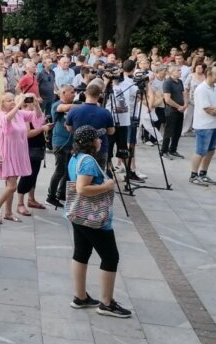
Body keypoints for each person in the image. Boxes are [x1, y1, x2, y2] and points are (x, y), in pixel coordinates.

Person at [66, 125, 131, 319]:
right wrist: (107, 185)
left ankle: (80, 296)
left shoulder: (75, 158)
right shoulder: (87, 162)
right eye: (97, 138)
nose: (101, 140)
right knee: (110, 257)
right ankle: (107, 302)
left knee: (81, 253)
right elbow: (82, 188)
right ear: (90, 142)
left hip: (79, 214)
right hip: (93, 217)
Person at [0, 94, 35, 224]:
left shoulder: (19, 113)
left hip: (18, 153)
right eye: (9, 101)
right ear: (2, 103)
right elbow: (6, 119)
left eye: (13, 100)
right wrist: (19, 105)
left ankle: (8, 212)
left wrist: (36, 104)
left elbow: (36, 117)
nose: (12, 102)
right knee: (12, 186)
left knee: (9, 185)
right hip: (7, 153)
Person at [189, 67, 216, 187]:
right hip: (203, 125)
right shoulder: (201, 89)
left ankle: (203, 173)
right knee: (200, 151)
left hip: (215, 125)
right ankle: (193, 175)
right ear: (208, 74)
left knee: (211, 151)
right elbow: (209, 110)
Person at [16, 97, 51, 216]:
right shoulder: (24, 117)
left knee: (34, 175)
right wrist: (42, 128)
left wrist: (36, 104)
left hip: (38, 149)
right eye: (31, 103)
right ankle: (20, 203)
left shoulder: (34, 114)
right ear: (25, 105)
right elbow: (27, 134)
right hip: (30, 149)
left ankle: (31, 199)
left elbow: (39, 115)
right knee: (27, 176)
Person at [47, 85, 76, 208]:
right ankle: (51, 196)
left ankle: (61, 194)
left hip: (71, 143)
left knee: (68, 171)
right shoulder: (57, 104)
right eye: (72, 92)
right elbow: (62, 107)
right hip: (60, 143)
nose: (74, 94)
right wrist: (84, 106)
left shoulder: (74, 104)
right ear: (63, 93)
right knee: (59, 171)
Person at [161, 65, 187, 158]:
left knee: (177, 132)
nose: (180, 72)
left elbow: (184, 93)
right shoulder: (167, 82)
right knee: (169, 131)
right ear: (172, 72)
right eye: (178, 70)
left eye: (180, 70)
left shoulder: (180, 81)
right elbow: (167, 99)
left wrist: (185, 105)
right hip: (171, 110)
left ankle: (173, 150)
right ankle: (164, 151)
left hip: (180, 110)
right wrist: (178, 106)